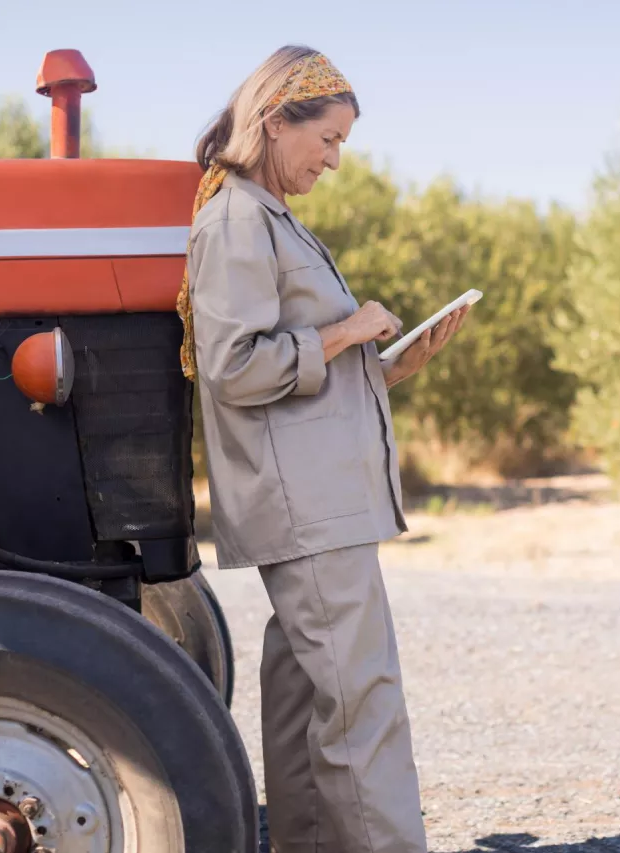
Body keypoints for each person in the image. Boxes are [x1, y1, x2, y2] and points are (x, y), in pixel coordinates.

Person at [176, 45, 469, 853]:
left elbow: (295, 374)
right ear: (276, 121)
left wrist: (392, 363)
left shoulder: (263, 216)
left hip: (313, 498)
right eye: (329, 139)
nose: (335, 160)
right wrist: (347, 329)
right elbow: (236, 367)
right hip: (308, 506)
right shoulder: (236, 219)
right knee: (362, 701)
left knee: (310, 692)